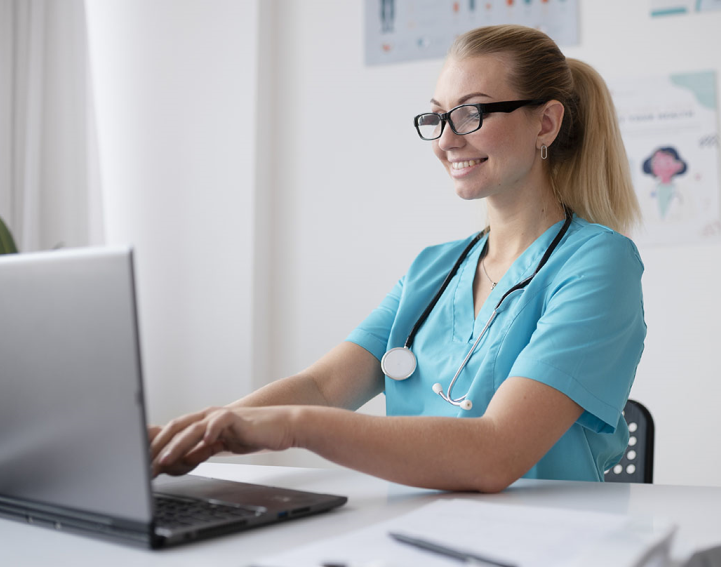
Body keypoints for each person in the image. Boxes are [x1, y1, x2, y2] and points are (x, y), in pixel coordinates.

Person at [149, 25, 646, 493]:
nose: (447, 140)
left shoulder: (598, 263)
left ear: (546, 122)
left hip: (547, 544)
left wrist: (291, 427)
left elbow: (495, 451)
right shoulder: (433, 270)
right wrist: (196, 432)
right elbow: (323, 387)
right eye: (437, 117)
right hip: (409, 536)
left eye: (471, 114)